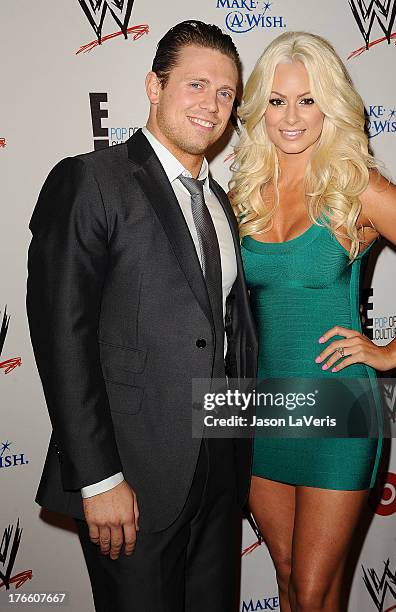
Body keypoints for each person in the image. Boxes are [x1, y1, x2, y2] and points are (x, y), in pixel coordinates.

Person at [27, 20, 257, 612]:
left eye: (226, 93)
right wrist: (98, 477)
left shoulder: (219, 201)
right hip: (130, 476)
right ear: (154, 87)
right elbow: (62, 338)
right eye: (196, 85)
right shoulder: (91, 179)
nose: (212, 105)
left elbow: (226, 336)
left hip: (216, 470)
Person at [229, 31, 396, 612]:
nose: (291, 117)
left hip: (338, 407)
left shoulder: (359, 190)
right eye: (276, 101)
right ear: (258, 110)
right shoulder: (242, 194)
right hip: (260, 408)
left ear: (332, 104)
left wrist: (393, 352)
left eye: (308, 99)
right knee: (288, 576)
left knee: (315, 590)